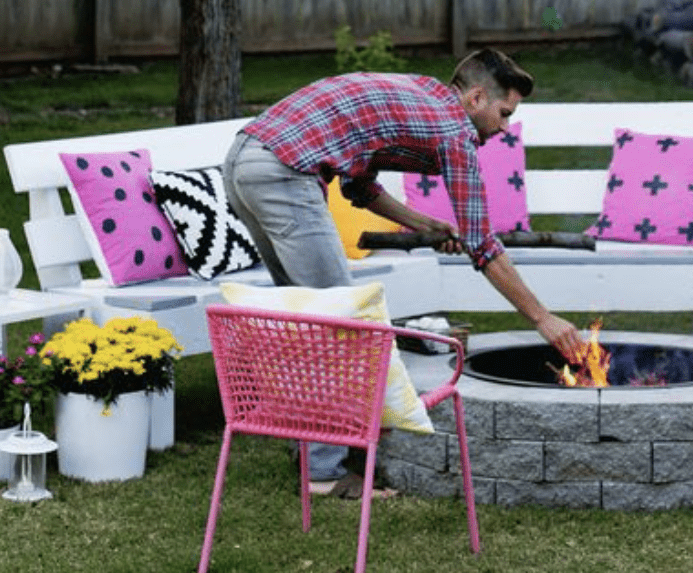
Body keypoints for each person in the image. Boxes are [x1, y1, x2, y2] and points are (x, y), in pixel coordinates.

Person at [223, 47, 585, 493]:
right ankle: (321, 471)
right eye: (504, 113)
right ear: (475, 99)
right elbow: (484, 247)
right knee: (344, 324)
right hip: (285, 171)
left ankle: (313, 451)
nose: (506, 127)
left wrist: (427, 225)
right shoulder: (454, 131)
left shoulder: (424, 94)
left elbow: (360, 186)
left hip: (243, 159)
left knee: (310, 322)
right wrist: (542, 318)